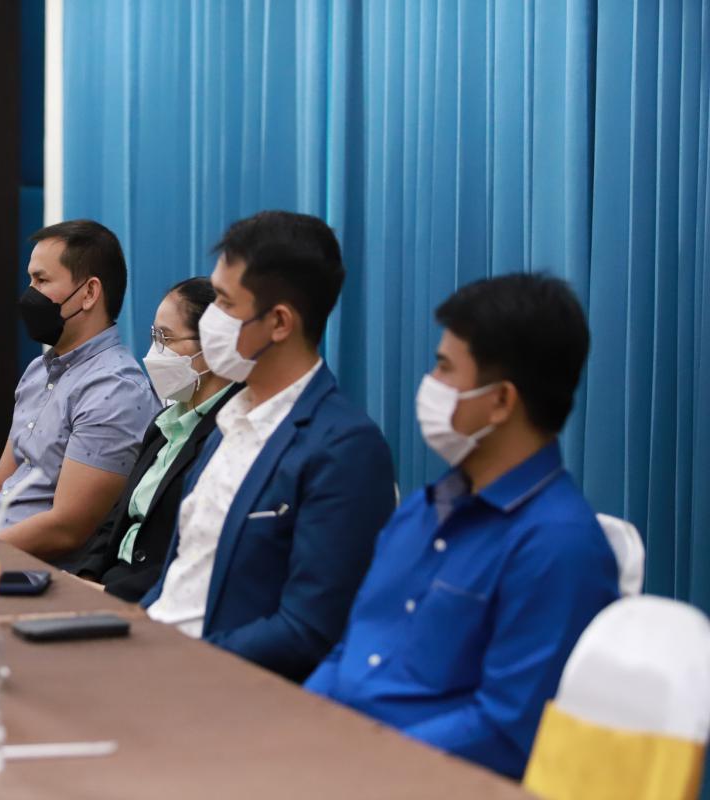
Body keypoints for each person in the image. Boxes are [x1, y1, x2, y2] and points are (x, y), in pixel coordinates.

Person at [304, 274, 618, 780]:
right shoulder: (421, 511)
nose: (429, 382)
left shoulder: (561, 547)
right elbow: (350, 651)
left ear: (501, 401)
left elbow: (507, 729)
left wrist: (361, 758)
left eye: (445, 367)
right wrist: (297, 723)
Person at [141, 211, 396, 683]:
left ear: (279, 322)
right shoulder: (229, 419)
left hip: (221, 685)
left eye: (224, 302)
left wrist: (178, 661)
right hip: (155, 660)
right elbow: (179, 579)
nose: (210, 320)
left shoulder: (343, 448)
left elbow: (308, 631)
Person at [0, 220, 160, 562]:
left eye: (42, 280)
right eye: (30, 280)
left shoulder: (114, 390)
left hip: (30, 570)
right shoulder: (39, 371)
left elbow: (67, 528)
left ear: (89, 293)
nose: (29, 293)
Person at [72, 277, 239, 601]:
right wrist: (85, 577)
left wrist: (111, 593)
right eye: (153, 336)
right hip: (105, 585)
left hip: (155, 599)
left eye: (165, 337)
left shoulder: (229, 432)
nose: (153, 353)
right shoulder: (165, 422)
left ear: (213, 346)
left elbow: (196, 552)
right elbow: (117, 518)